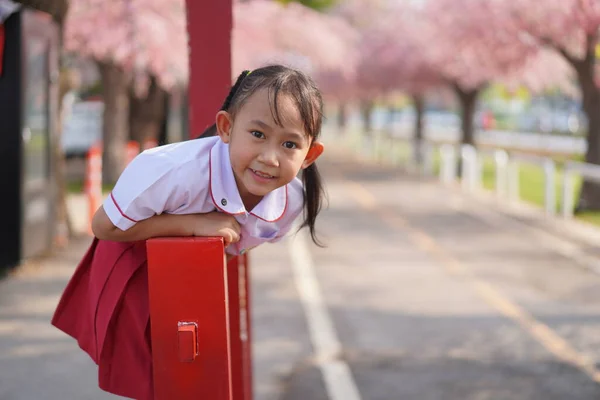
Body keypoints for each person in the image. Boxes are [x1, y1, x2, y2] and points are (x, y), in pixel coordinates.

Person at [51, 65, 326, 400]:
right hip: (131, 257)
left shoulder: (291, 202)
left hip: (196, 274)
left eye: (289, 144)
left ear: (309, 155)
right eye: (257, 134)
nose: (270, 157)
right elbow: (103, 226)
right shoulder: (170, 170)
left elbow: (238, 245)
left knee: (195, 373)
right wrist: (195, 224)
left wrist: (205, 247)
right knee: (152, 378)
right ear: (226, 127)